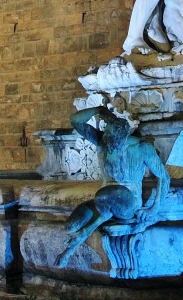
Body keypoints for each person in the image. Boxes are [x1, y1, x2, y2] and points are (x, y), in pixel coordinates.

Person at [57, 106, 170, 267]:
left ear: (121, 136)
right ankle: (82, 231)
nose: (105, 137)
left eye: (109, 134)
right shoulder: (103, 142)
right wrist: (99, 109)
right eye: (106, 132)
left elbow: (164, 177)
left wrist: (154, 208)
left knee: (110, 193)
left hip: (129, 204)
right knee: (71, 225)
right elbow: (75, 120)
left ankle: (83, 235)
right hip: (104, 201)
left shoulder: (141, 148)